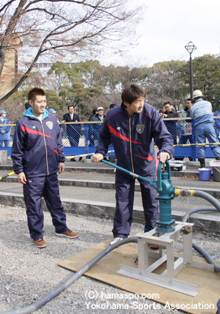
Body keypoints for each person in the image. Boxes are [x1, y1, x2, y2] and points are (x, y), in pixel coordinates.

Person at [92, 84, 173, 244]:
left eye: (142, 100)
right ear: (126, 103)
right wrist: (100, 151)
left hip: (147, 166)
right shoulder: (112, 116)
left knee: (151, 202)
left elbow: (165, 137)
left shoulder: (150, 113)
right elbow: (103, 137)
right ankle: (120, 235)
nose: (141, 104)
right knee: (122, 201)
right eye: (137, 101)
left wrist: (165, 150)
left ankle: (153, 235)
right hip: (123, 166)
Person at [11, 88, 78, 248]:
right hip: (32, 173)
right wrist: (19, 170)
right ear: (31, 102)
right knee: (34, 205)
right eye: (39, 102)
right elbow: (17, 150)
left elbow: (58, 141)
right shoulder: (23, 123)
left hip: (52, 170)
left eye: (44, 101)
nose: (43, 105)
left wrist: (61, 160)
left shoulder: (52, 119)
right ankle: (37, 234)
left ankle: (61, 228)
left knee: (55, 201)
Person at [189, 90, 220, 168]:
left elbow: (192, 117)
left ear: (194, 98)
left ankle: (202, 164)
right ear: (202, 96)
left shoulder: (193, 107)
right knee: (214, 142)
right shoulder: (208, 103)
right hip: (209, 125)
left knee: (201, 144)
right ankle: (218, 159)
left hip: (199, 127)